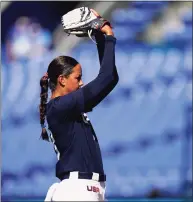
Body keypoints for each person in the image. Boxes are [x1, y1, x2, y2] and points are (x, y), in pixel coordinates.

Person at [39, 9, 119, 201]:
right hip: (77, 191)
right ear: (62, 80)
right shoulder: (59, 107)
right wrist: (107, 36)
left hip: (88, 190)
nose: (82, 83)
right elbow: (106, 79)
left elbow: (111, 78)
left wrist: (100, 39)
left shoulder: (64, 107)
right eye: (78, 78)